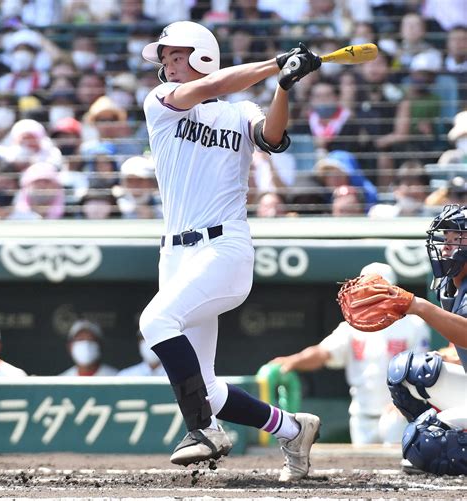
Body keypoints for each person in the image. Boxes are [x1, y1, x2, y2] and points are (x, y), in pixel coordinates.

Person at [138, 20, 322, 481]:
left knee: (155, 321)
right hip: (175, 255)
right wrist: (274, 63)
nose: (168, 65)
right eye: (165, 58)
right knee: (209, 387)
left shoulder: (240, 111)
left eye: (176, 56)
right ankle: (293, 429)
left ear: (201, 54)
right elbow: (212, 85)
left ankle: (203, 431)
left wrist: (284, 84)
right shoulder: (159, 103)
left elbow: (273, 139)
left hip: (224, 246)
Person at [269, 263, 430, 446]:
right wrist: (294, 361)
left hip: (400, 414)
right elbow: (323, 353)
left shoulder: (414, 325)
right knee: (363, 471)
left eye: (376, 288)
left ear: (392, 291)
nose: (370, 294)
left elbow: (421, 370)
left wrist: (406, 401)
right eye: (366, 288)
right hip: (361, 416)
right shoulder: (351, 327)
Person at [387, 204, 467, 475]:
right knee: (408, 371)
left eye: (457, 239)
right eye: (446, 238)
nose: (446, 246)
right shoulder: (451, 285)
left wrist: (418, 306)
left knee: (426, 442)